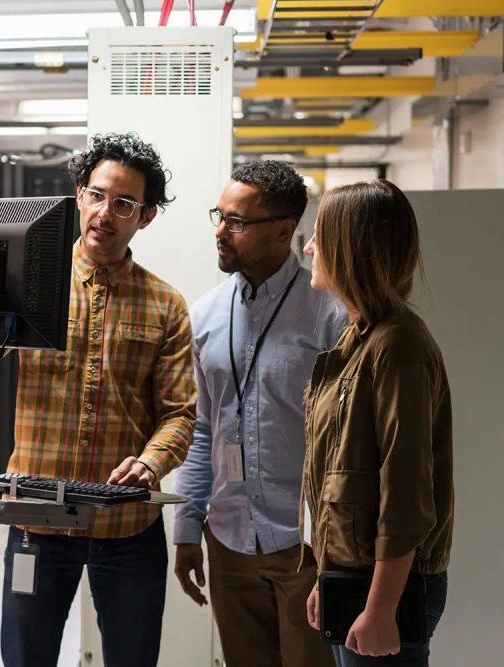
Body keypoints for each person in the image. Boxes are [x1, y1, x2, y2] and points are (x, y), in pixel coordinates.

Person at [0, 133, 196, 667]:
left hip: (127, 529)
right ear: (79, 196)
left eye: (124, 203)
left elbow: (180, 413)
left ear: (147, 216)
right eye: (97, 195)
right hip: (37, 521)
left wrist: (152, 461)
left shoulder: (166, 304)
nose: (105, 213)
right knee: (26, 659)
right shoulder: (31, 283)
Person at [172, 160, 345, 667]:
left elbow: (345, 442)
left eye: (237, 222)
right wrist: (187, 527)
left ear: (283, 232)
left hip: (307, 547)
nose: (221, 233)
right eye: (219, 217)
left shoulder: (331, 315)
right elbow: (206, 429)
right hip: (228, 541)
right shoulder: (204, 315)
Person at [302, 179, 453, 666]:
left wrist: (381, 607)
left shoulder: (397, 346)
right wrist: (328, 577)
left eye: (319, 238)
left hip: (385, 587)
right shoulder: (360, 339)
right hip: (355, 577)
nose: (308, 248)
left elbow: (405, 490)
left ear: (351, 250)